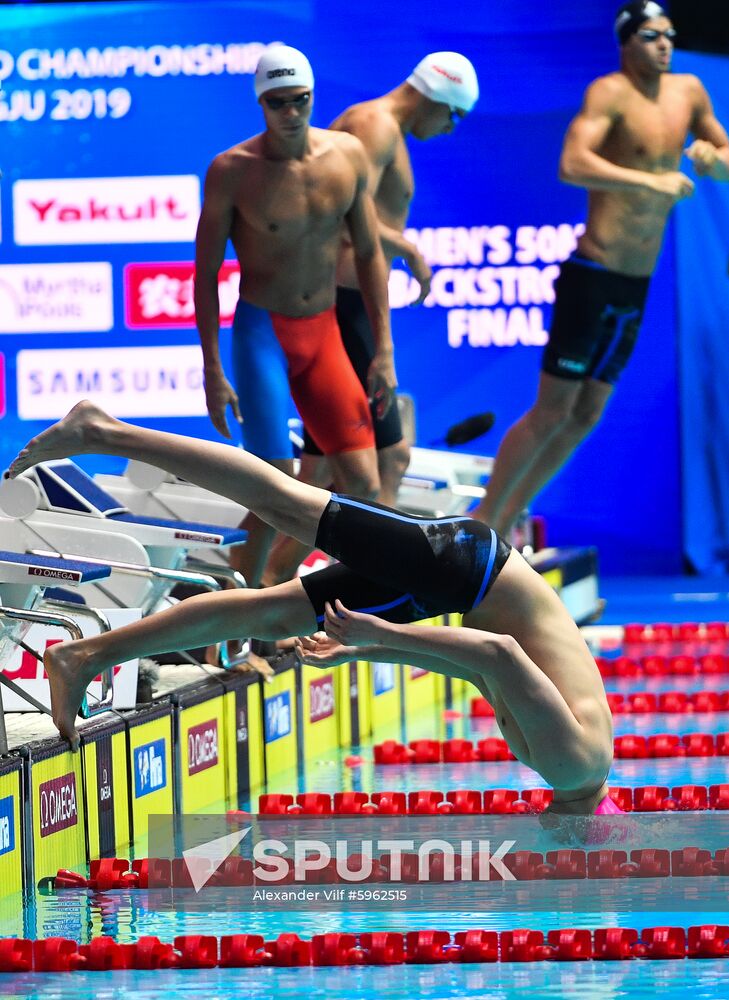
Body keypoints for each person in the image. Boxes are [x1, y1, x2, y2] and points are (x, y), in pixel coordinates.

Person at [10, 400, 617, 815]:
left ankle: (84, 654)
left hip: (458, 584)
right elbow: (499, 651)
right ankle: (102, 431)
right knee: (290, 507)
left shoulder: (580, 766)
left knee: (272, 614)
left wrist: (371, 645)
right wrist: (383, 634)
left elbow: (486, 669)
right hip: (462, 570)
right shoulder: (569, 768)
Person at [473, 1, 729, 538]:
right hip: (592, 275)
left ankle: (505, 522)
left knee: (587, 415)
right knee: (552, 410)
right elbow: (571, 165)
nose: (664, 44)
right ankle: (481, 520)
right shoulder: (608, 94)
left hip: (633, 286)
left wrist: (715, 161)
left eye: (669, 34)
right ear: (626, 42)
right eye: (650, 36)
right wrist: (649, 180)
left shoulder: (688, 92)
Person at [262, 52, 480, 586]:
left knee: (324, 474)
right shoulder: (375, 126)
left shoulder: (384, 129)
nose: (450, 129)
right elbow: (333, 209)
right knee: (383, 462)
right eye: (454, 116)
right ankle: (363, 586)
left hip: (346, 309)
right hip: (337, 310)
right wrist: (408, 247)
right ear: (436, 96)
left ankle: (273, 584)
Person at [194, 45, 397, 592]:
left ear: (313, 98)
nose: (291, 113)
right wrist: (213, 372)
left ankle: (271, 579)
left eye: (300, 101)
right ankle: (241, 616)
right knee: (275, 483)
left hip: (324, 331)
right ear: (262, 103)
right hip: (263, 333)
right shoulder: (232, 172)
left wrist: (385, 351)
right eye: (278, 103)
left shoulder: (347, 156)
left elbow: (371, 254)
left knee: (363, 485)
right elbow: (206, 274)